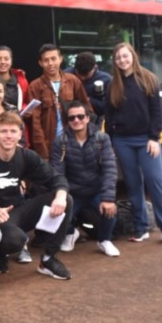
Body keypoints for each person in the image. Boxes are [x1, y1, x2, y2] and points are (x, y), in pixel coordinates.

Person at [0, 112, 74, 280]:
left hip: (18, 211)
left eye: (13, 131)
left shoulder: (26, 156)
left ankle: (48, 259)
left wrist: (60, 196)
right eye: (4, 131)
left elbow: (57, 178)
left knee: (66, 200)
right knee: (16, 240)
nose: (8, 136)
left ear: (20, 134)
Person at [106, 42, 162, 247]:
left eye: (125, 56)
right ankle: (140, 228)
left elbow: (157, 112)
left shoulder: (149, 79)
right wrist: (110, 142)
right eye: (118, 57)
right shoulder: (113, 85)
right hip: (122, 141)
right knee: (133, 185)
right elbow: (109, 116)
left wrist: (155, 138)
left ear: (132, 56)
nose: (122, 60)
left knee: (156, 183)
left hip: (147, 140)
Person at [50, 101, 119, 257]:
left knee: (110, 210)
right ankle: (71, 233)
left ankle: (104, 240)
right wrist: (60, 197)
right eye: (72, 118)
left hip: (96, 190)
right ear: (67, 121)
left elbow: (110, 169)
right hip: (72, 192)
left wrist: (108, 198)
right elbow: (58, 172)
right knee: (56, 213)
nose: (76, 120)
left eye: (80, 116)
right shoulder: (60, 142)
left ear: (88, 118)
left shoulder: (102, 139)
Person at [26, 44, 92, 160]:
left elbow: (87, 109)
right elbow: (35, 122)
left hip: (74, 142)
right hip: (49, 144)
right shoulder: (35, 86)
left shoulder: (72, 81)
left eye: (53, 59)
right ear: (40, 63)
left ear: (60, 59)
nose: (50, 63)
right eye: (46, 60)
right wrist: (43, 153)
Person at [66, 51, 112, 126]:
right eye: (80, 74)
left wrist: (88, 100)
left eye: (86, 75)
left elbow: (109, 107)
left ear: (95, 67)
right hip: (71, 121)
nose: (82, 78)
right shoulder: (66, 77)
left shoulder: (106, 79)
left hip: (96, 122)